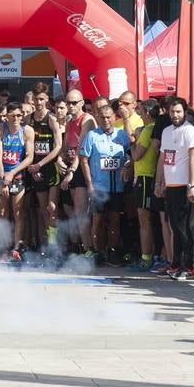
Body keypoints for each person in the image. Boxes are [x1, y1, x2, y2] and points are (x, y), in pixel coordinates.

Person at [155, 98, 194, 279]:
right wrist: (159, 183)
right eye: (172, 112)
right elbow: (163, 159)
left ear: (185, 112)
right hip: (171, 185)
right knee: (174, 226)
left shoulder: (190, 131)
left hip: (184, 185)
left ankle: (187, 266)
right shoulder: (166, 131)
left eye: (179, 112)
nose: (175, 115)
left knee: (183, 228)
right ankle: (175, 264)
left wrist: (192, 185)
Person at [81, 98, 130, 266]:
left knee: (115, 219)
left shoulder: (121, 135)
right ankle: (97, 250)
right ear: (98, 117)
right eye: (102, 117)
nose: (106, 120)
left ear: (114, 117)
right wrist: (89, 184)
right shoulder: (92, 135)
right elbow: (84, 160)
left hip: (117, 186)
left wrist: (128, 165)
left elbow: (131, 154)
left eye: (109, 117)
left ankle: (113, 250)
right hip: (99, 186)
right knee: (98, 220)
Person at [25, 82, 64, 255]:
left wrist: (40, 165)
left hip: (49, 168)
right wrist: (33, 167)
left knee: (52, 208)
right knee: (41, 210)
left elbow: (58, 147)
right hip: (35, 169)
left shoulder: (52, 118)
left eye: (41, 99)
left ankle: (54, 245)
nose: (38, 102)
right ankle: (44, 245)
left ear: (47, 100)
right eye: (36, 99)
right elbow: (28, 146)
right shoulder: (29, 119)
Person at [0, 100, 34, 262]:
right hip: (2, 176)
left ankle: (17, 248)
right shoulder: (0, 129)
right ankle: (4, 247)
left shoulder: (27, 131)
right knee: (3, 214)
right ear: (7, 117)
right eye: (13, 116)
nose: (17, 118)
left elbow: (29, 157)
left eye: (20, 115)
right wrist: (4, 178)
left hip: (17, 176)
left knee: (18, 214)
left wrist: (13, 173)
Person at [58, 90, 95, 254]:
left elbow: (82, 151)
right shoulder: (69, 121)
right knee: (71, 211)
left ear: (81, 103)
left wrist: (72, 171)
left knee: (81, 213)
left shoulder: (87, 120)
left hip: (81, 168)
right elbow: (65, 146)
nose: (70, 106)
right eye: (68, 103)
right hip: (71, 167)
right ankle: (79, 246)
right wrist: (59, 159)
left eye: (74, 103)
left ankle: (89, 249)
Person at [128, 102, 163, 271]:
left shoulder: (148, 129)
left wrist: (132, 142)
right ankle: (150, 256)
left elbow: (136, 155)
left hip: (146, 177)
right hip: (146, 177)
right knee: (148, 220)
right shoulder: (151, 128)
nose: (139, 114)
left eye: (140, 111)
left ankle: (146, 258)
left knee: (145, 221)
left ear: (148, 112)